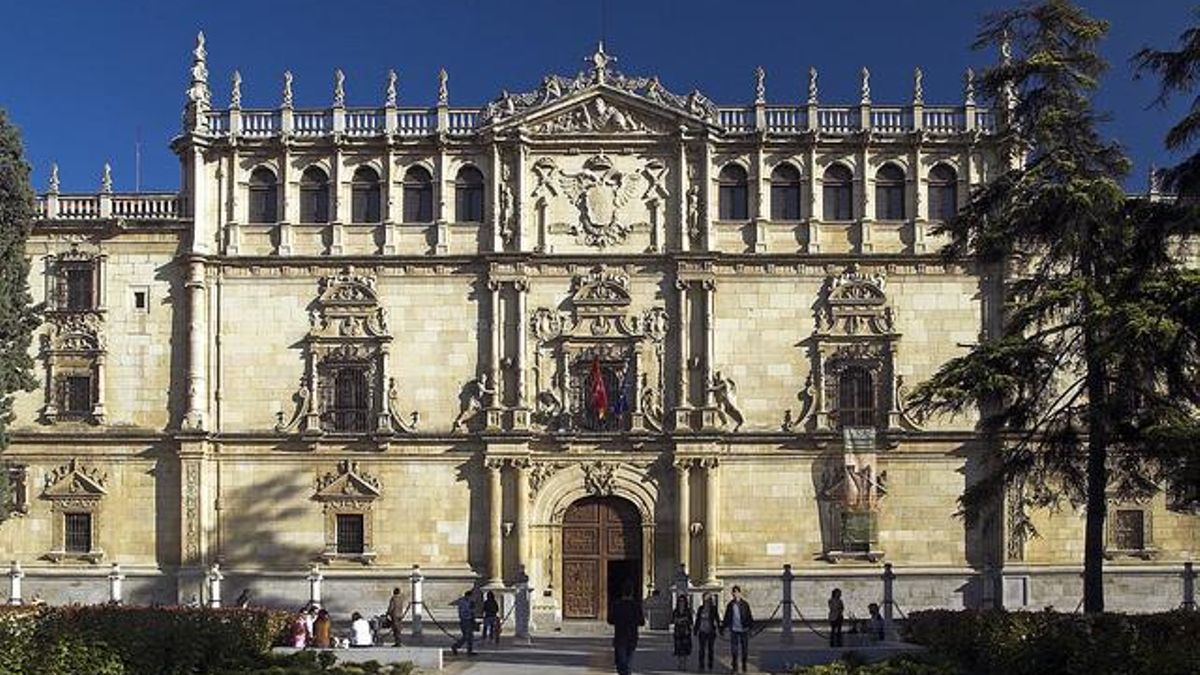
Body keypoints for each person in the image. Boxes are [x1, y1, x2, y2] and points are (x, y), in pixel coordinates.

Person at [608, 584, 644, 675]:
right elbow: (641, 622)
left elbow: (610, 620)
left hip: (620, 637)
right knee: (628, 661)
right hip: (632, 637)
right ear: (632, 593)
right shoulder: (636, 606)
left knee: (621, 662)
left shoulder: (617, 605)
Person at [720, 585, 754, 674]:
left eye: (736, 592)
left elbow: (749, 616)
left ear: (740, 593)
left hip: (744, 629)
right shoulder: (730, 605)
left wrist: (751, 628)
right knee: (734, 649)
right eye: (733, 592)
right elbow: (727, 617)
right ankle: (735, 665)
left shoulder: (745, 604)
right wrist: (723, 628)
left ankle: (744, 664)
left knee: (744, 649)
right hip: (734, 629)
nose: (735, 594)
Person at [693, 593, 720, 672]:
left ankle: (710, 665)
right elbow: (698, 620)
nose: (706, 600)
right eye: (705, 598)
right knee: (702, 649)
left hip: (710, 631)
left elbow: (717, 619)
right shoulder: (701, 608)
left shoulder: (713, 609)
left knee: (710, 649)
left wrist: (720, 628)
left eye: (708, 599)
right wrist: (695, 629)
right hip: (702, 630)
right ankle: (701, 665)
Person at [450, 589, 477, 656]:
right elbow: (465, 612)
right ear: (468, 596)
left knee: (469, 636)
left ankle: (468, 650)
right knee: (467, 636)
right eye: (472, 596)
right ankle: (456, 646)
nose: (473, 598)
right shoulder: (463, 602)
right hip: (465, 621)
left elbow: (472, 612)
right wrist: (471, 611)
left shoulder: (469, 602)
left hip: (469, 620)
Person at [671, 594, 693, 670]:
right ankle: (680, 663)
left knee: (685, 649)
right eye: (680, 601)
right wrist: (682, 619)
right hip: (678, 631)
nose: (681, 602)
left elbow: (690, 621)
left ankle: (684, 664)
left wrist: (681, 620)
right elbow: (673, 620)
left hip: (686, 631)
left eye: (683, 601)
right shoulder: (676, 611)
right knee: (678, 648)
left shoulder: (688, 611)